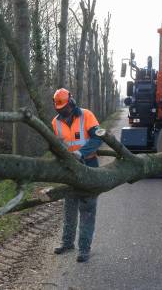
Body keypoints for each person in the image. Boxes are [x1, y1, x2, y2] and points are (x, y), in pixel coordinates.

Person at [51, 88, 102, 263]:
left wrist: (81, 152)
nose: (62, 112)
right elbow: (56, 147)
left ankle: (84, 248)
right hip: (69, 170)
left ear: (71, 102)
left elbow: (98, 138)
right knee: (69, 207)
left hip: (88, 164)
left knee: (87, 208)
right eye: (59, 109)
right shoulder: (55, 123)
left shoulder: (86, 115)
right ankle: (67, 242)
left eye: (64, 108)